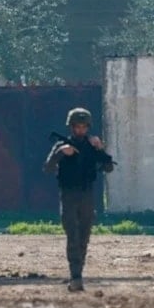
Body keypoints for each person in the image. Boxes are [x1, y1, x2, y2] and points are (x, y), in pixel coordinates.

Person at [43, 107, 115, 293]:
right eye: (77, 126)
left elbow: (108, 167)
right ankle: (75, 276)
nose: (81, 130)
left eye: (84, 127)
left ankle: (78, 272)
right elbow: (48, 168)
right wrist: (61, 152)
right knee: (72, 236)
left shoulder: (92, 145)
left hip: (87, 196)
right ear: (71, 127)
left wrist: (100, 147)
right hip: (68, 195)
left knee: (83, 237)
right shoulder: (62, 145)